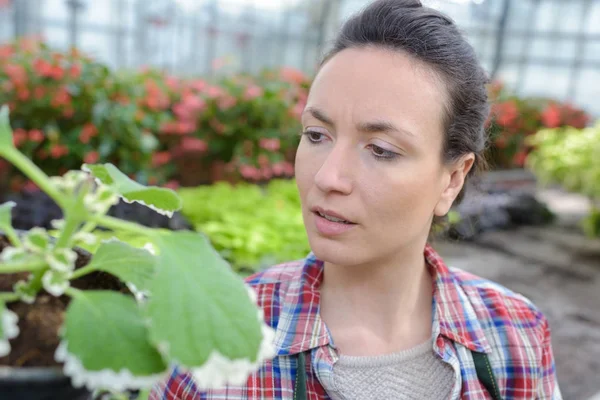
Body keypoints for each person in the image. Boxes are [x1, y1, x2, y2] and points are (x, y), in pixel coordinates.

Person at [151, 0, 561, 398]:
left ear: (452, 179)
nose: (328, 177)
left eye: (380, 149)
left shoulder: (514, 335)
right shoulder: (214, 335)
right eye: (316, 135)